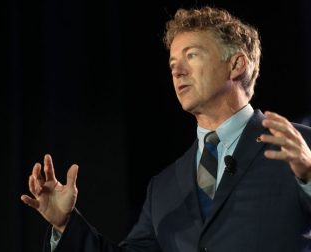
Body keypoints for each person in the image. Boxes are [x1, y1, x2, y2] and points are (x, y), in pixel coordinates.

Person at [21, 6, 311, 252]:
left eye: (192, 55)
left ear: (236, 65)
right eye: (173, 62)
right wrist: (65, 224)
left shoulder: (302, 146)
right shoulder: (164, 188)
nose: (177, 71)